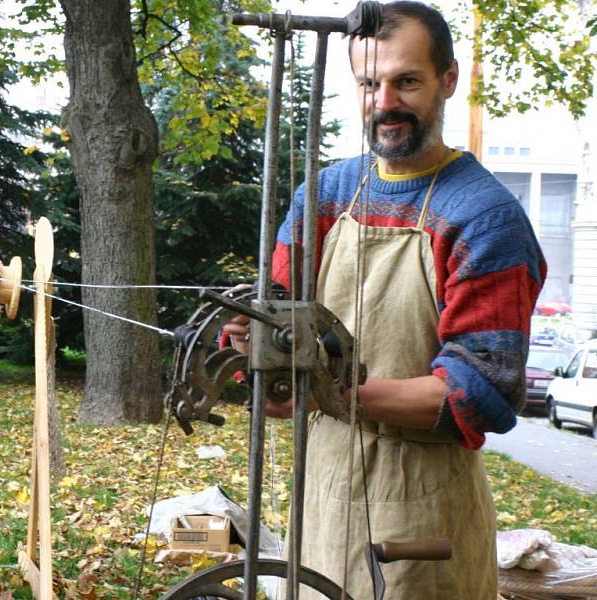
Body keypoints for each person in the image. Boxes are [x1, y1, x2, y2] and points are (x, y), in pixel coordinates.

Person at [225, 2, 546, 598]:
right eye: (370, 83)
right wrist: (257, 347)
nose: (385, 102)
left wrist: (322, 387)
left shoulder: (484, 216)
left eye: (407, 81)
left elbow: (481, 392)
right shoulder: (324, 194)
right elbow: (275, 307)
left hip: (420, 505)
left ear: (448, 80)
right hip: (319, 488)